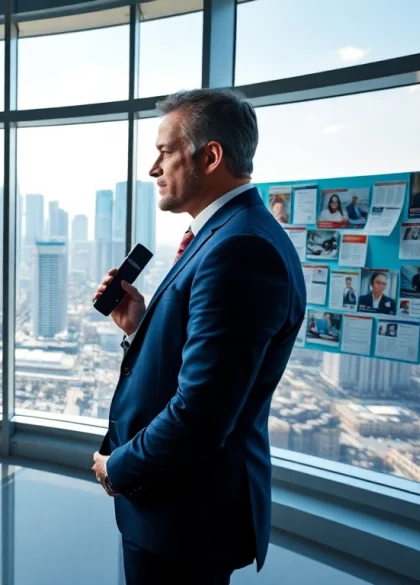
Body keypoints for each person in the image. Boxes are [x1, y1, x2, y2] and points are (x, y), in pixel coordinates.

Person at [91, 88, 306, 584]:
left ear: (210, 156)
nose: (153, 169)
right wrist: (141, 327)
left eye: (164, 152)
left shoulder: (240, 248)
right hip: (178, 510)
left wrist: (118, 468)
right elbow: (205, 369)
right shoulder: (226, 235)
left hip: (185, 517)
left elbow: (202, 414)